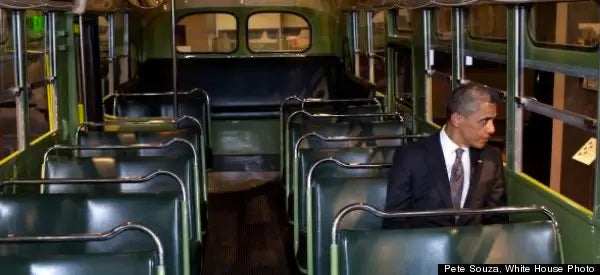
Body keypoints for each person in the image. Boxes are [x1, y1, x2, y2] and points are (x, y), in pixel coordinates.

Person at [383, 83, 507, 228]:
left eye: (492, 120)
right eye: (484, 121)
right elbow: (395, 220)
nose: (492, 129)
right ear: (457, 119)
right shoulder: (411, 156)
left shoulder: (491, 158)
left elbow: (497, 219)